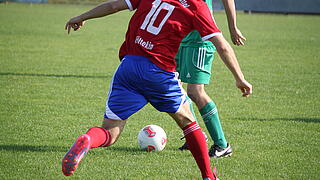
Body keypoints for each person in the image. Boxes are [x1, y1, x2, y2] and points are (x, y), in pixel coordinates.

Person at [62, 0, 252, 179]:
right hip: (159, 72)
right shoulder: (197, 5)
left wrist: (82, 17)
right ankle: (209, 176)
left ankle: (88, 138)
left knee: (109, 133)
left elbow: (113, 5)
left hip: (128, 67)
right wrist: (239, 78)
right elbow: (222, 46)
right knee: (188, 121)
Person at [176, 0, 247, 158]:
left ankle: (222, 145)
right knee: (172, 87)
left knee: (196, 92)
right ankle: (195, 135)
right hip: (179, 37)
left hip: (200, 39)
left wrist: (233, 27)